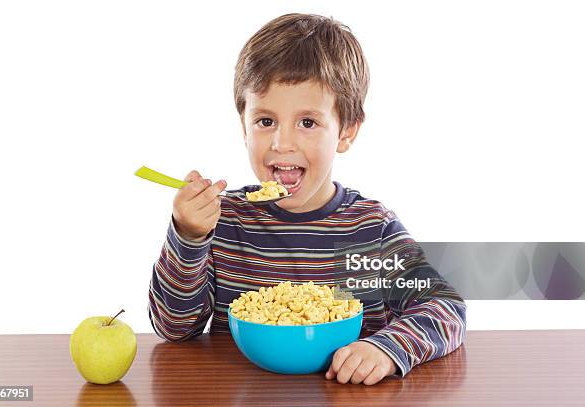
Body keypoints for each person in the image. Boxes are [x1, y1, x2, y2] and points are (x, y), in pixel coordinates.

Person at [147, 13, 466, 385]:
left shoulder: (371, 229)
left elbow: (446, 310)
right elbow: (174, 327)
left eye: (308, 123)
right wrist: (188, 236)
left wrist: (387, 349)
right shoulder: (222, 221)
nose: (282, 142)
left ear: (346, 131)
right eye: (265, 121)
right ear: (243, 126)